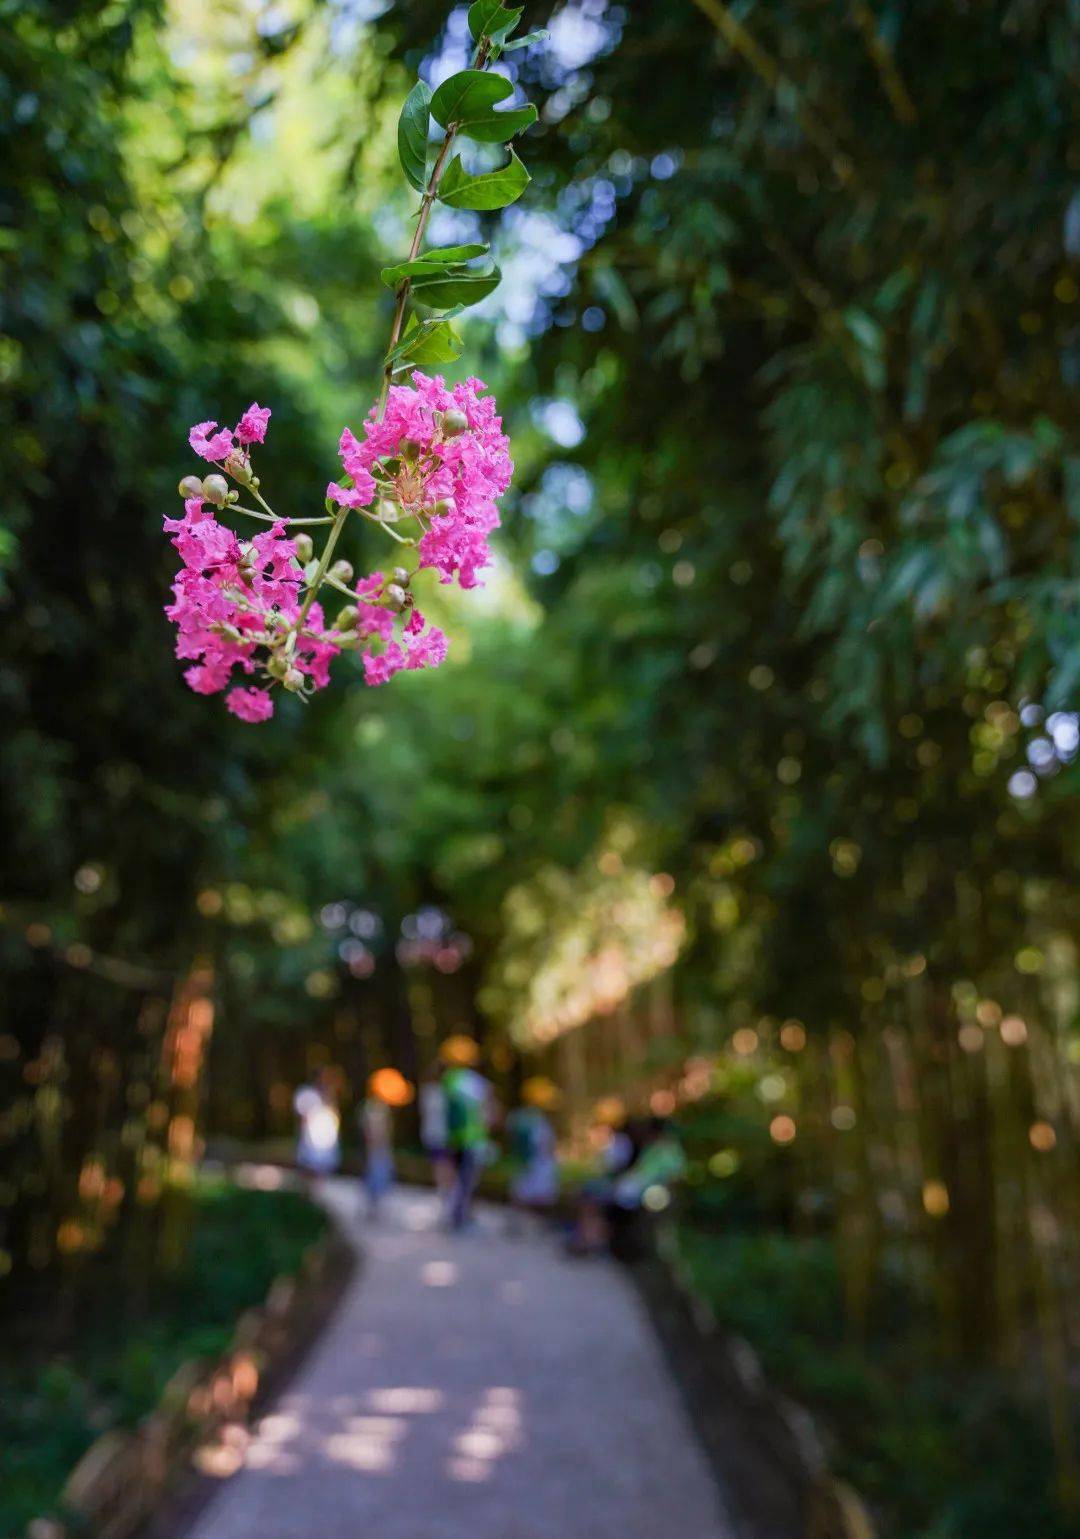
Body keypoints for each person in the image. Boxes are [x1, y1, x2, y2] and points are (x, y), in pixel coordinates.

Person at [440, 1035, 492, 1231]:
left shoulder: (448, 1080)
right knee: (467, 1182)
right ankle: (461, 1219)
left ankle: (458, 1217)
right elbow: (486, 1109)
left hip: (454, 1139)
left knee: (458, 1181)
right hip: (472, 1140)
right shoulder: (473, 1082)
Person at [506, 1077, 561, 1231]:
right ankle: (521, 1223)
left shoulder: (520, 1116)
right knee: (526, 1192)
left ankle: (521, 1223)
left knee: (525, 1193)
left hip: (531, 1162)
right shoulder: (528, 1119)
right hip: (533, 1162)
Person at [359, 1073, 396, 1219]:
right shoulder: (372, 1107)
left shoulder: (377, 1107)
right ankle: (373, 1207)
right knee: (374, 1176)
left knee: (380, 1176)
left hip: (380, 1148)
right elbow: (371, 1130)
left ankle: (376, 1207)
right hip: (375, 1149)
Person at [293, 1068, 341, 1180]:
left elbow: (335, 1118)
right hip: (311, 1148)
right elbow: (303, 1120)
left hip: (327, 1149)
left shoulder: (330, 1097)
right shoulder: (306, 1094)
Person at [419, 1067, 454, 1209]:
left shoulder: (428, 1092)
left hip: (432, 1135)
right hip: (443, 1136)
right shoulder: (445, 1093)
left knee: (440, 1166)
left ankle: (445, 1194)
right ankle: (446, 1195)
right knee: (445, 1167)